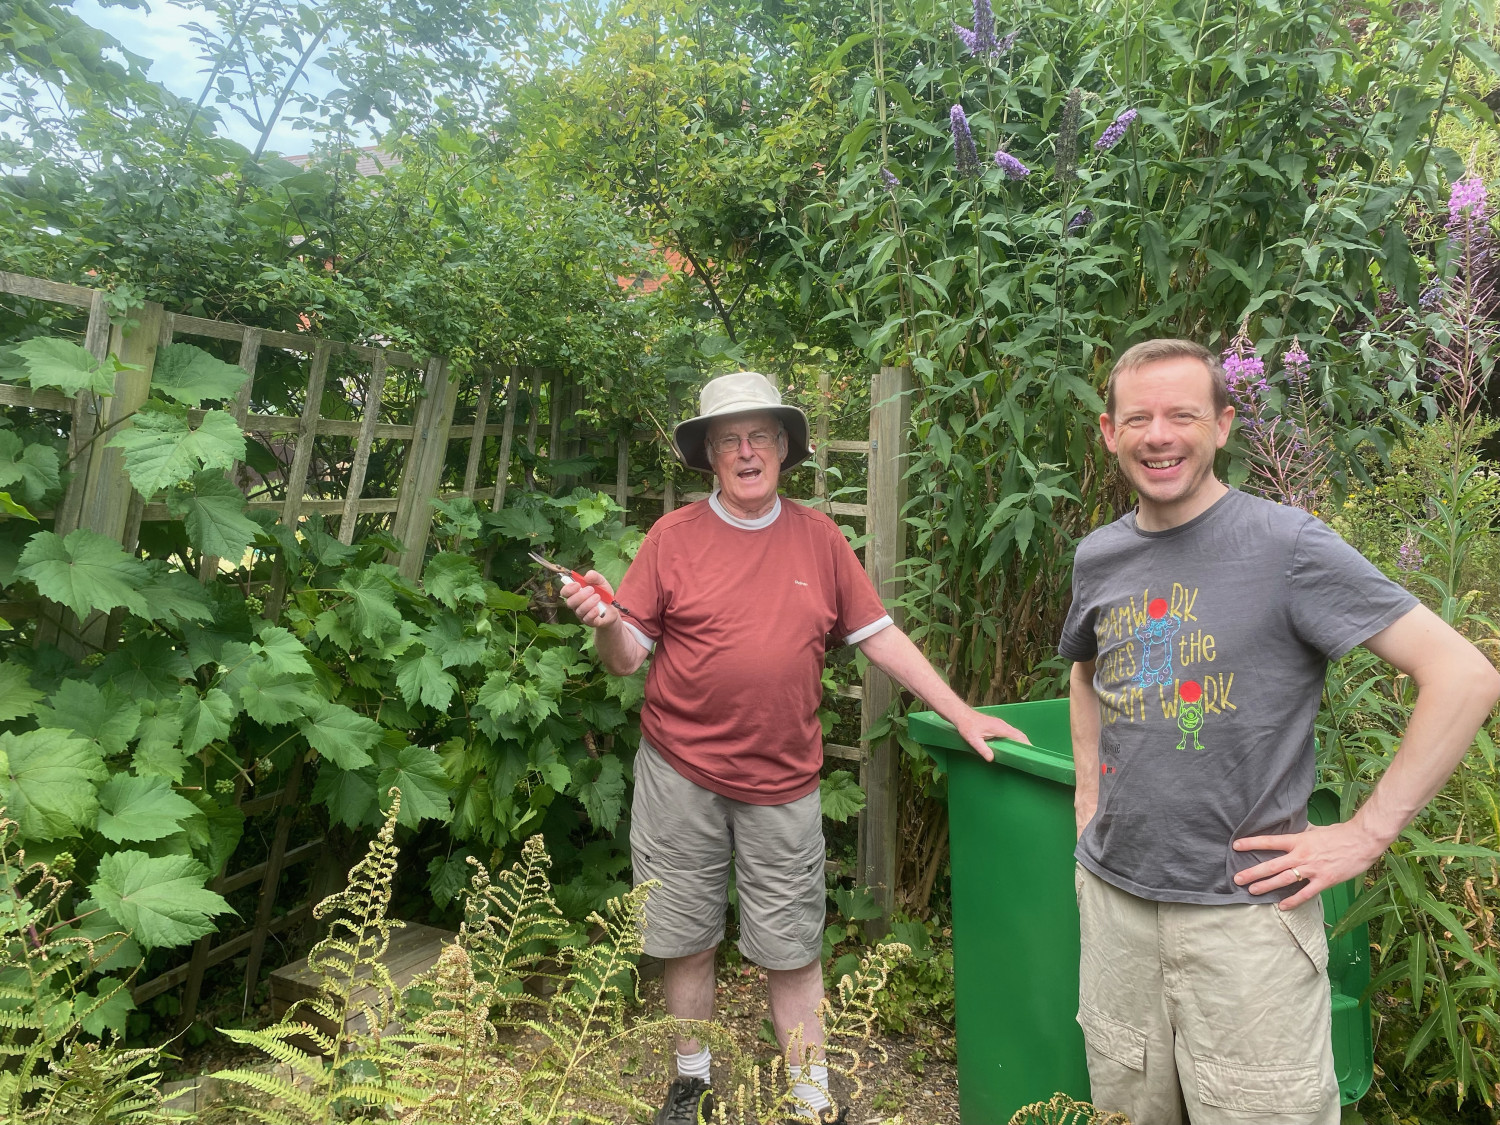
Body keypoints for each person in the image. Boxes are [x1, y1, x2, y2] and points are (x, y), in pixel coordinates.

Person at [561, 371, 1027, 1125]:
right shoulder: (671, 538)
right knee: (684, 936)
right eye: (728, 440)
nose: (746, 451)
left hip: (783, 779)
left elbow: (879, 633)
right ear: (709, 454)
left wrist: (962, 711)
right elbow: (626, 657)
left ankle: (810, 1096)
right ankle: (690, 1083)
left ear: (783, 446)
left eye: (760, 436)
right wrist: (604, 618)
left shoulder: (818, 535)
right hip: (679, 770)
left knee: (793, 945)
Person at [1060, 338, 1500, 1124]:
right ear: (1108, 432)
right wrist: (1088, 797)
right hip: (1116, 908)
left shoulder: (1287, 545)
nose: (1158, 435)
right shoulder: (1100, 556)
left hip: (1245, 927)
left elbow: (1464, 677)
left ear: (1225, 424)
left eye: (1182, 415)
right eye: (1139, 418)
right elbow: (1086, 672)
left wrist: (1365, 834)